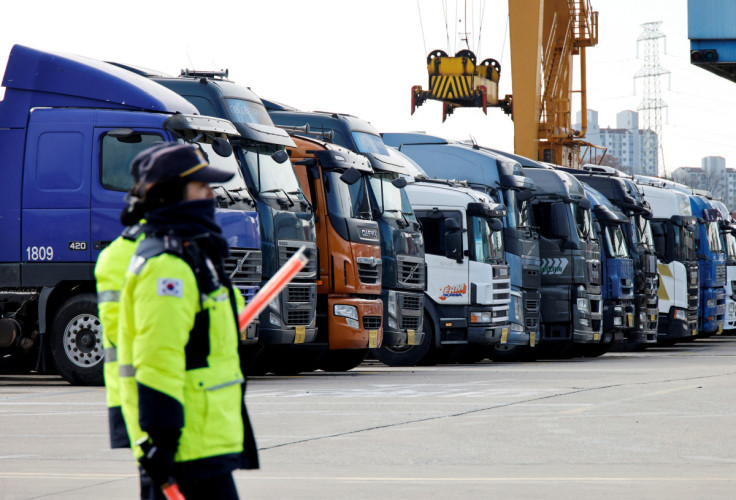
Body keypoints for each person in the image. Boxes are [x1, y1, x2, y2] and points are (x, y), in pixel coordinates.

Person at [116, 142, 259, 500]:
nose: (212, 195)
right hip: (185, 450)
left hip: (203, 443)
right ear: (172, 195)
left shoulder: (193, 254)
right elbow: (158, 359)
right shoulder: (168, 266)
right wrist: (162, 443)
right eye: (202, 187)